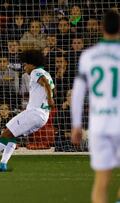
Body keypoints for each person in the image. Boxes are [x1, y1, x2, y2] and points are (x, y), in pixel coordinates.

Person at [0, 49, 55, 172]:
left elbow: (45, 84)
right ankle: (3, 164)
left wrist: (50, 99)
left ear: (32, 64)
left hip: (34, 113)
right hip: (43, 116)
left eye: (25, 65)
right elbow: (49, 86)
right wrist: (49, 99)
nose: (24, 68)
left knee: (6, 133)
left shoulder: (36, 72)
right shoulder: (47, 73)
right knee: (12, 134)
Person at [71, 10, 120, 203]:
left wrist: (76, 125)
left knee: (101, 181)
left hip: (99, 124)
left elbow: (77, 94)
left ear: (101, 28)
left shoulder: (88, 56)